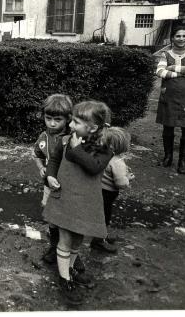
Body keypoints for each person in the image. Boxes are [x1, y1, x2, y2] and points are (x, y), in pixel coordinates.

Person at [43, 101, 114, 305]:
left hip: (86, 203)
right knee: (65, 240)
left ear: (92, 128)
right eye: (72, 120)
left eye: (76, 122)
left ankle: (71, 267)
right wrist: (50, 176)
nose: (71, 125)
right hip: (64, 199)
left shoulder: (104, 148)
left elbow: (93, 167)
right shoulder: (65, 141)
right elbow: (54, 160)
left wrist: (76, 150)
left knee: (77, 240)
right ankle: (65, 279)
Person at [33, 93, 85, 274]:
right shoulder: (42, 138)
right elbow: (37, 155)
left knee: (70, 219)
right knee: (52, 218)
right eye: (49, 118)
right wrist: (40, 168)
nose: (52, 123)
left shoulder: (73, 137)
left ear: (68, 118)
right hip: (49, 185)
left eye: (57, 119)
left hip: (69, 186)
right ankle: (54, 247)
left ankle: (73, 255)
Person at [156, 23, 185, 174]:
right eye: (178, 36)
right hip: (169, 96)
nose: (181, 39)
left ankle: (183, 161)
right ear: (172, 38)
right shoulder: (166, 54)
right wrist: (183, 73)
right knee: (168, 127)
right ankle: (168, 156)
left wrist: (172, 68)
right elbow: (159, 72)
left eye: (184, 36)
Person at [90, 126, 134, 253]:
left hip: (97, 190)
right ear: (116, 147)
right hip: (108, 194)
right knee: (104, 217)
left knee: (100, 215)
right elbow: (120, 183)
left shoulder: (99, 156)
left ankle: (101, 236)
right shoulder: (117, 162)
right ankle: (98, 241)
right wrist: (128, 178)